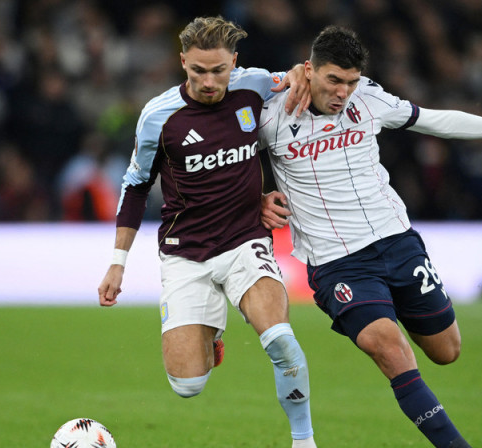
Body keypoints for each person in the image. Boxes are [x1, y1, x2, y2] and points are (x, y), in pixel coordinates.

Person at [259, 26, 482, 448]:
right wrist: (255, 199)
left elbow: (436, 120)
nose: (343, 92)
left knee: (446, 350)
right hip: (338, 263)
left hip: (398, 242)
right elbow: (226, 158)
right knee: (391, 350)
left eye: (351, 82)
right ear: (309, 70)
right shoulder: (273, 113)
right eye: (334, 80)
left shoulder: (369, 98)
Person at [96, 16, 317, 448]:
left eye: (219, 70)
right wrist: (117, 263)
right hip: (186, 253)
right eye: (198, 70)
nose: (210, 81)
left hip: (244, 241)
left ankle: (303, 440)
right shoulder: (159, 116)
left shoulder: (254, 85)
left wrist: (298, 71)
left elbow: (300, 77)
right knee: (187, 384)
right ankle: (212, 335)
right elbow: (136, 186)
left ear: (234, 62)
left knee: (281, 341)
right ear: (183, 62)